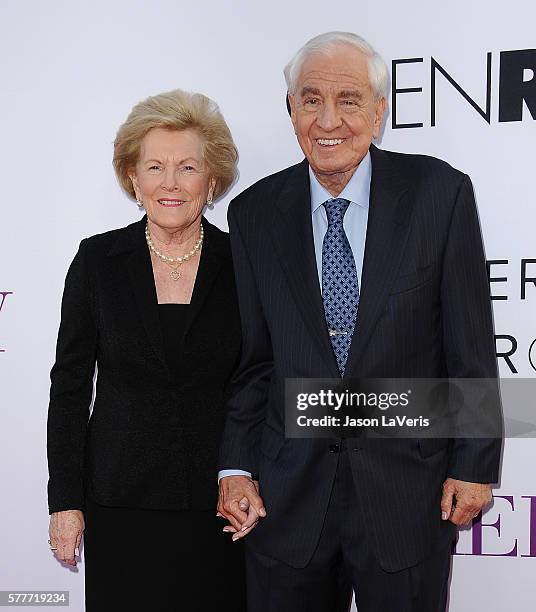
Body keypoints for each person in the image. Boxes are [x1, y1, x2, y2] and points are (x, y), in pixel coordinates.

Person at [217, 32, 502, 611]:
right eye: (311, 98)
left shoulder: (438, 194)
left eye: (348, 100)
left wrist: (475, 464)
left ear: (379, 112)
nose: (329, 119)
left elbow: (468, 346)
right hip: (285, 499)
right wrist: (236, 466)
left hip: (406, 494)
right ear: (291, 109)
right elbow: (254, 363)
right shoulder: (252, 215)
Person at [47, 88, 246, 612]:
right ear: (133, 178)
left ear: (213, 178)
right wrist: (64, 502)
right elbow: (69, 389)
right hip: (119, 501)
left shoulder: (243, 264)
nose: (171, 183)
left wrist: (246, 472)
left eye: (187, 167)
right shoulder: (97, 262)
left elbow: (258, 380)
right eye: (155, 166)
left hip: (219, 506)